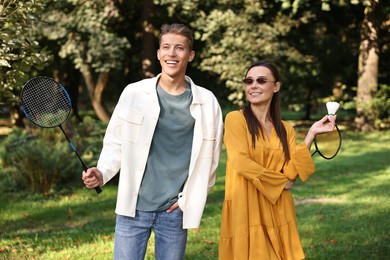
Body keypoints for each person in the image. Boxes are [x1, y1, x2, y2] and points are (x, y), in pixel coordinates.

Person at [82, 23, 223, 260]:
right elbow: (115, 142)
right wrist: (102, 172)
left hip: (174, 212)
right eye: (166, 47)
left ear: (190, 55)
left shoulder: (207, 102)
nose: (172, 53)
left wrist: (188, 199)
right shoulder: (134, 93)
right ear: (158, 53)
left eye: (179, 48)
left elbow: (212, 161)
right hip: (132, 207)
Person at [218, 60, 336, 260]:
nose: (253, 85)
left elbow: (290, 172)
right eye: (249, 81)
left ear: (276, 87)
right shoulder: (235, 119)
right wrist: (281, 182)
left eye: (261, 80)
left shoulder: (286, 129)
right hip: (247, 206)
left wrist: (311, 135)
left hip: (279, 207)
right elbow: (241, 162)